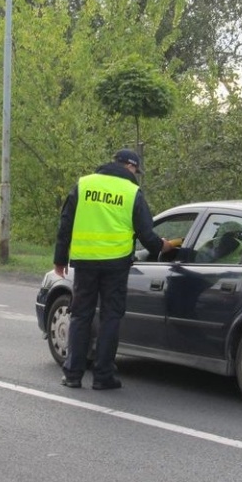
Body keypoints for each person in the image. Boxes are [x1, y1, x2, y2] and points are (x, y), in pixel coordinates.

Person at [54, 149, 172, 390]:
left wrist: (60, 258)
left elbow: (66, 222)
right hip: (116, 265)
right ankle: (103, 376)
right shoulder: (131, 193)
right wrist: (163, 246)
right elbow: (146, 234)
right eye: (135, 170)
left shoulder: (84, 184)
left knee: (80, 315)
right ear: (129, 166)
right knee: (110, 317)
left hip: (85, 262)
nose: (135, 175)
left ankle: (73, 374)